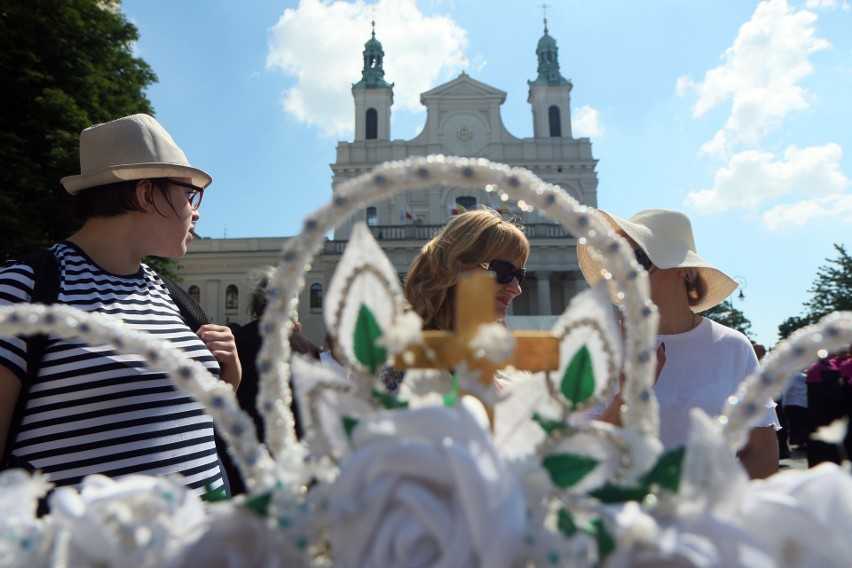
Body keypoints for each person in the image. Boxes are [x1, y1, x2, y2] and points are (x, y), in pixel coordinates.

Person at [0, 114, 240, 497]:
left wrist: (229, 377)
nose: (196, 211)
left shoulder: (173, 297)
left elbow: (184, 419)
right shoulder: (24, 287)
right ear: (146, 194)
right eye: (188, 194)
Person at [578, 209, 779, 479]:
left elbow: (762, 454)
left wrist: (705, 505)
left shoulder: (733, 347)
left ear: (683, 270)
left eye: (637, 259)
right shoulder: (597, 347)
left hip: (707, 517)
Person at [404, 208, 529, 331]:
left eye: (519, 275)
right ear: (454, 266)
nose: (516, 289)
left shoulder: (493, 346)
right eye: (502, 270)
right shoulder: (398, 343)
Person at [804, 344, 852, 467]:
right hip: (820, 412)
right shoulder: (815, 368)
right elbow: (817, 391)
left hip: (834, 411)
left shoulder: (832, 365)